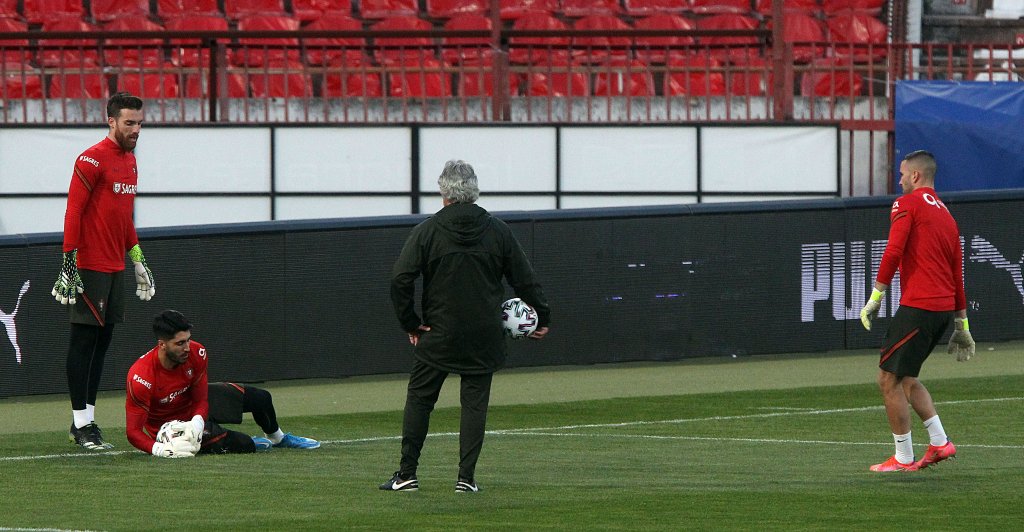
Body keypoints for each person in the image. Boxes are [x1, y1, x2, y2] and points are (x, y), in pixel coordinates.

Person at [381, 160, 551, 493]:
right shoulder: (498, 230)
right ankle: (465, 479)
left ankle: (407, 474)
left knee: (420, 400)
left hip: (439, 333)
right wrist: (542, 317)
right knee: (474, 405)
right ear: (474, 190)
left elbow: (400, 278)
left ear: (443, 192)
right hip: (484, 334)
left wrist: (411, 324)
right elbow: (525, 280)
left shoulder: (428, 231)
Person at [860, 149, 975, 472]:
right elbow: (957, 274)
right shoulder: (947, 216)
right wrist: (962, 324)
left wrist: (876, 296)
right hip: (942, 309)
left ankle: (903, 458)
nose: (899, 181)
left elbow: (894, 250)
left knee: (888, 378)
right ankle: (940, 442)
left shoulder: (906, 204)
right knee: (907, 378)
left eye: (901, 174)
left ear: (915, 175)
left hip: (920, 306)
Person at [53, 92, 157, 451]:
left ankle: (86, 421)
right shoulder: (91, 159)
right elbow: (73, 211)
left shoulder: (131, 162)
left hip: (115, 266)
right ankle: (81, 423)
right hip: (89, 265)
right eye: (129, 122)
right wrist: (69, 261)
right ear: (111, 121)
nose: (136, 129)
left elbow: (124, 218)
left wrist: (137, 258)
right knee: (83, 343)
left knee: (101, 345)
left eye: (139, 123)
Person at [125, 310, 320, 458]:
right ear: (162, 345)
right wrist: (159, 449)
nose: (187, 348)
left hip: (192, 407)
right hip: (172, 427)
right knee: (246, 444)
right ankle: (239, 441)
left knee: (261, 398)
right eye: (180, 343)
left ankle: (278, 438)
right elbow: (133, 432)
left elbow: (201, 399)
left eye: (188, 340)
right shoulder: (141, 377)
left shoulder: (197, 353)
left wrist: (197, 421)